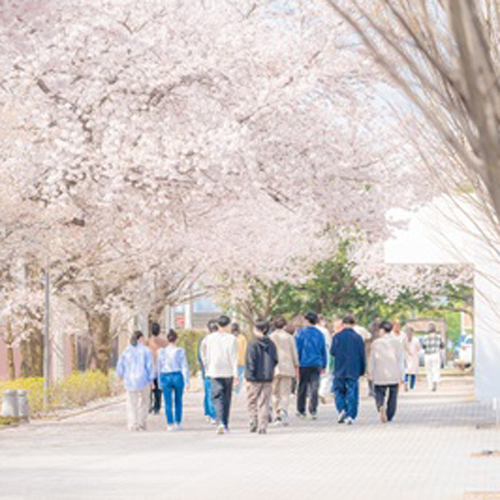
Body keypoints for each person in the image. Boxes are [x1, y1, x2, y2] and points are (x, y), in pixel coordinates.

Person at [202, 314, 238, 434]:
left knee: (217, 397)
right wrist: (236, 373)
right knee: (226, 397)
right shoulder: (232, 339)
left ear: (217, 325)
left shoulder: (209, 338)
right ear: (228, 325)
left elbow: (205, 354)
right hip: (228, 371)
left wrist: (207, 367)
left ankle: (219, 422)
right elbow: (234, 357)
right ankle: (225, 424)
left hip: (214, 370)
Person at [331, 315, 366, 425]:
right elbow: (362, 355)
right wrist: (362, 369)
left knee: (338, 390)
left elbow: (332, 351)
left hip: (340, 368)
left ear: (343, 324)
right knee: (352, 391)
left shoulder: (337, 337)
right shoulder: (358, 338)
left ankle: (341, 409)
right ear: (354, 324)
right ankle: (350, 414)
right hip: (353, 368)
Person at [245, 319, 278, 434]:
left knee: (252, 400)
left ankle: (253, 420)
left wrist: (249, 375)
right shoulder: (272, 344)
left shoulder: (252, 343)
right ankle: (262, 425)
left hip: (253, 378)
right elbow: (275, 360)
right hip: (268, 377)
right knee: (264, 402)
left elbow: (250, 361)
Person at [116, 331, 154, 431]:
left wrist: (121, 375)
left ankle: (133, 423)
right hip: (143, 379)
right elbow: (149, 366)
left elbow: (120, 365)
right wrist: (151, 380)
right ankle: (142, 422)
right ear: (140, 338)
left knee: (131, 403)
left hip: (129, 380)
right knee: (145, 401)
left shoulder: (127, 351)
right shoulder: (146, 350)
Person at [370, 321, 405, 423]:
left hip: (380, 372)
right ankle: (390, 415)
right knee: (393, 395)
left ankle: (380, 404)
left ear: (382, 330)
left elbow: (372, 359)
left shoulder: (376, 343)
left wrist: (371, 373)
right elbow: (401, 360)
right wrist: (402, 376)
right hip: (394, 372)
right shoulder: (397, 343)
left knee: (379, 391)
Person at [295, 310, 327, 419]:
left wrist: (296, 363)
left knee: (302, 386)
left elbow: (297, 349)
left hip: (303, 363)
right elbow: (323, 350)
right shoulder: (320, 334)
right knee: (314, 387)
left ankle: (301, 410)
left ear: (307, 320)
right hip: (316, 363)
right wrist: (324, 364)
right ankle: (313, 410)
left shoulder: (300, 333)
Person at [157, 329, 190, 431]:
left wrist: (159, 381)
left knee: (167, 401)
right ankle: (178, 422)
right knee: (178, 400)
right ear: (176, 339)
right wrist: (187, 380)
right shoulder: (180, 351)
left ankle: (169, 423)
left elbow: (159, 366)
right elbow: (184, 366)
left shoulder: (162, 351)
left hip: (165, 375)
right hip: (177, 375)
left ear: (167, 339)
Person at [270, 316, 299, 425]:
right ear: (285, 325)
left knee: (274, 393)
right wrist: (296, 364)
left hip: (274, 368)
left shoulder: (271, 337)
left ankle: (277, 414)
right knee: (285, 393)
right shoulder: (289, 337)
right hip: (287, 367)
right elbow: (294, 352)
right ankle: (283, 410)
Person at [198, 319, 217, 423]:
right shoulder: (213, 340)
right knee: (212, 393)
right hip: (213, 370)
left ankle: (208, 412)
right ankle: (212, 414)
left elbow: (201, 357)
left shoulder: (204, 340)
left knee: (208, 392)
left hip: (208, 370)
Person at [147, 322, 168, 414]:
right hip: (160, 367)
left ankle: (149, 405)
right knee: (158, 389)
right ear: (159, 331)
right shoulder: (164, 342)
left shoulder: (147, 342)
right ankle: (157, 407)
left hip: (149, 366)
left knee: (149, 388)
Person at [422, 323, 444, 391]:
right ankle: (435, 380)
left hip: (427, 355)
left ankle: (430, 386)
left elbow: (423, 346)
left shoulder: (425, 337)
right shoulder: (438, 337)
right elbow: (442, 346)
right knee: (436, 368)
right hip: (435, 354)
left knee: (428, 371)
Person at [317, 315, 333, 404]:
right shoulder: (324, 331)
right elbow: (329, 344)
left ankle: (316, 392)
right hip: (324, 352)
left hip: (314, 355)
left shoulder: (311, 329)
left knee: (316, 375)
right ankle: (321, 392)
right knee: (326, 375)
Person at [232, 322, 247, 395]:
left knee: (238, 376)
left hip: (237, 362)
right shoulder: (242, 338)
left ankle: (236, 390)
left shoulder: (230, 337)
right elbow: (245, 349)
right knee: (239, 376)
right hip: (239, 361)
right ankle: (236, 390)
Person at [404, 327, 421, 391]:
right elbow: (419, 348)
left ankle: (406, 382)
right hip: (414, 357)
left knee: (406, 371)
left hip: (407, 357)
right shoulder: (416, 340)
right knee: (413, 373)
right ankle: (411, 386)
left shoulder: (404, 340)